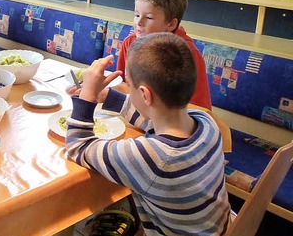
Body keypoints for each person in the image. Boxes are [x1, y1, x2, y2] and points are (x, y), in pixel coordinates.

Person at [66, 33, 230, 235]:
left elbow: (78, 147)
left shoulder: (156, 159)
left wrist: (87, 96)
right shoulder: (205, 123)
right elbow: (152, 118)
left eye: (129, 85)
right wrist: (107, 96)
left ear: (144, 95)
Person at [116, 0, 212, 110]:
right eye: (137, 15)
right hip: (134, 112)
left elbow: (199, 108)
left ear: (171, 24)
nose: (139, 22)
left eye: (149, 17)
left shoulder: (186, 56)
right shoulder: (130, 43)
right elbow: (122, 84)